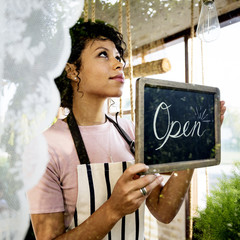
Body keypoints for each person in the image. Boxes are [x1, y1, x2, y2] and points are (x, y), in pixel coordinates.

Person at [27, 19, 226, 240]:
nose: (119, 64)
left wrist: (194, 143)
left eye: (118, 57)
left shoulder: (130, 130)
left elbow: (164, 211)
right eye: (103, 54)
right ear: (72, 71)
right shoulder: (44, 149)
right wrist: (113, 209)